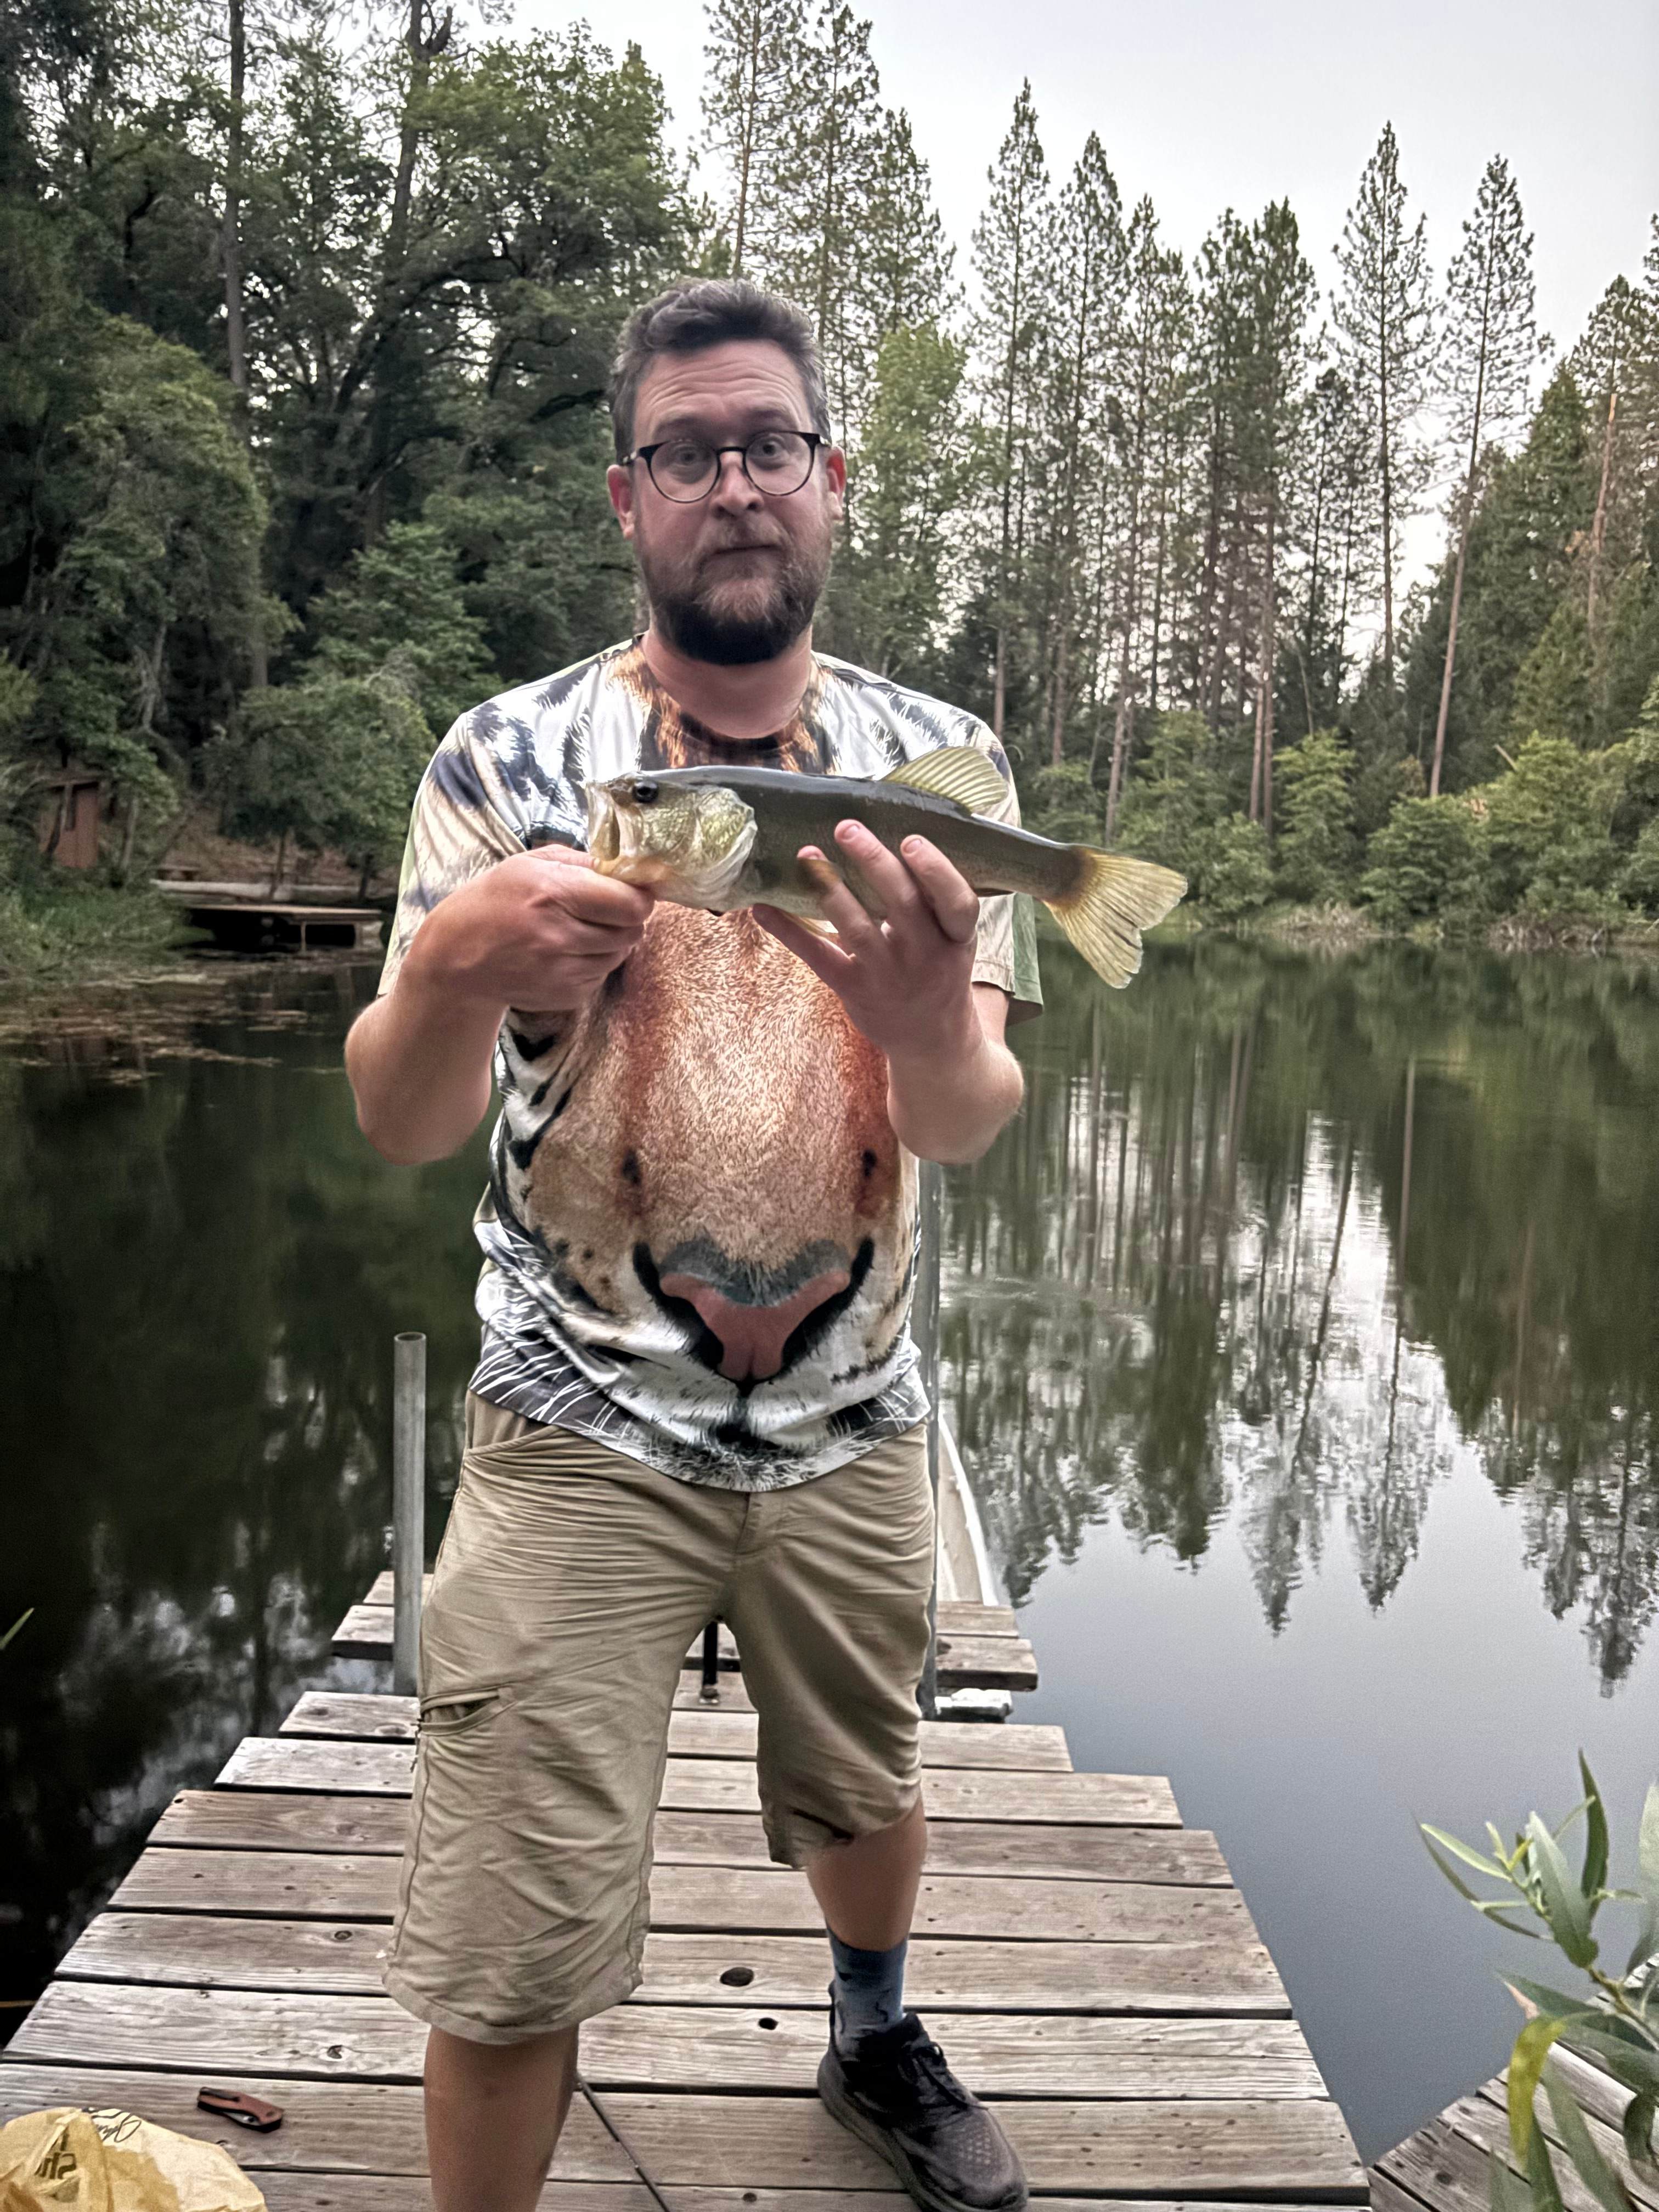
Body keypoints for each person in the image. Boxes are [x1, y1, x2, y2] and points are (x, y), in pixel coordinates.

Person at [345, 278, 1041, 2212]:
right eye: (687, 453)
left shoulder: (947, 772)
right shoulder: (502, 764)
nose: (734, 487)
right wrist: (450, 969)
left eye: (770, 449)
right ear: (626, 497)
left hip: (856, 1415)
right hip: (572, 1421)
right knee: (508, 1917)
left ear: (833, 480)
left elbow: (978, 1118)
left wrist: (928, 1032)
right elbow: (396, 1122)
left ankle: (873, 2025)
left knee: (867, 1782)